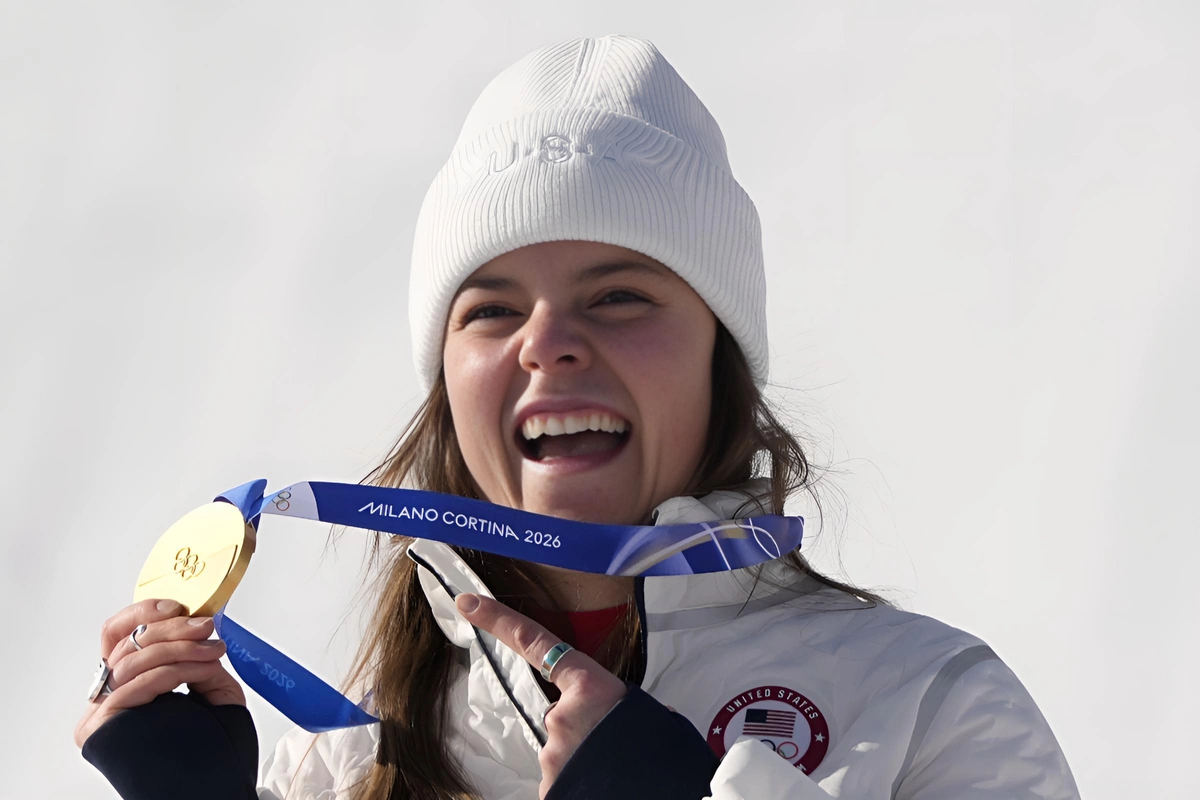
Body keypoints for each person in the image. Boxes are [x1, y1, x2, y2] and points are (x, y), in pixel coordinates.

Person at [75, 34, 1080, 800]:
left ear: (719, 354)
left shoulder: (925, 701)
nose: (546, 342)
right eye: (492, 309)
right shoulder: (338, 762)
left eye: (618, 296)